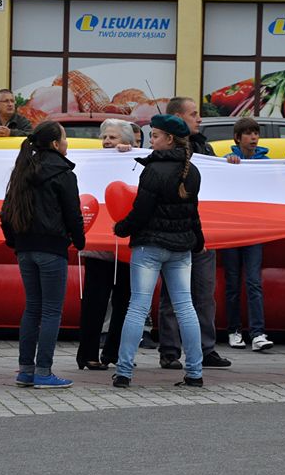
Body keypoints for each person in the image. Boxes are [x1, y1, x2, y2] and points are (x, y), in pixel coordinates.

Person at [112, 114, 205, 388]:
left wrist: (122, 228)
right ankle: (195, 372)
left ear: (168, 139)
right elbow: (193, 213)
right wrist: (197, 239)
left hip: (149, 246)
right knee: (186, 308)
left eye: (154, 136)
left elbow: (142, 211)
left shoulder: (152, 170)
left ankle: (124, 371)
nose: (150, 140)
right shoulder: (192, 171)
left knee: (137, 307)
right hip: (181, 247)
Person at [0, 120, 84, 388]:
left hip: (25, 248)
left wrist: (14, 241)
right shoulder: (64, 174)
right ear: (55, 144)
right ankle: (44, 372)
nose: (67, 142)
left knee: (32, 308)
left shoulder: (23, 170)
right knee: (51, 311)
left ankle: (26, 370)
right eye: (65, 138)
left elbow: (6, 212)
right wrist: (79, 241)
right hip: (51, 247)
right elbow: (73, 213)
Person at [157, 97, 231, 369]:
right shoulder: (160, 150)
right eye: (194, 114)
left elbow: (219, 183)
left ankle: (205, 349)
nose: (199, 119)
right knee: (172, 295)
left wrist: (229, 165)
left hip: (203, 233)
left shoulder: (205, 148)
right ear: (178, 118)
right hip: (174, 234)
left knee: (204, 293)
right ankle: (170, 351)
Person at [76, 119, 135, 370]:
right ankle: (87, 354)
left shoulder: (136, 163)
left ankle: (113, 353)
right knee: (94, 302)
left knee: (124, 302)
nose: (108, 142)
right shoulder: (93, 162)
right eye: (105, 138)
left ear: (128, 142)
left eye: (113, 137)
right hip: (99, 249)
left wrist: (130, 157)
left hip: (127, 248)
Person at [222, 118, 274, 351]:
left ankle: (258, 333)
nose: (253, 138)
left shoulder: (266, 162)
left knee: (254, 282)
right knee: (232, 282)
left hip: (255, 229)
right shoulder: (226, 161)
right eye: (248, 134)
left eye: (256, 133)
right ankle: (234, 330)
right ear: (237, 138)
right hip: (231, 229)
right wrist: (227, 166)